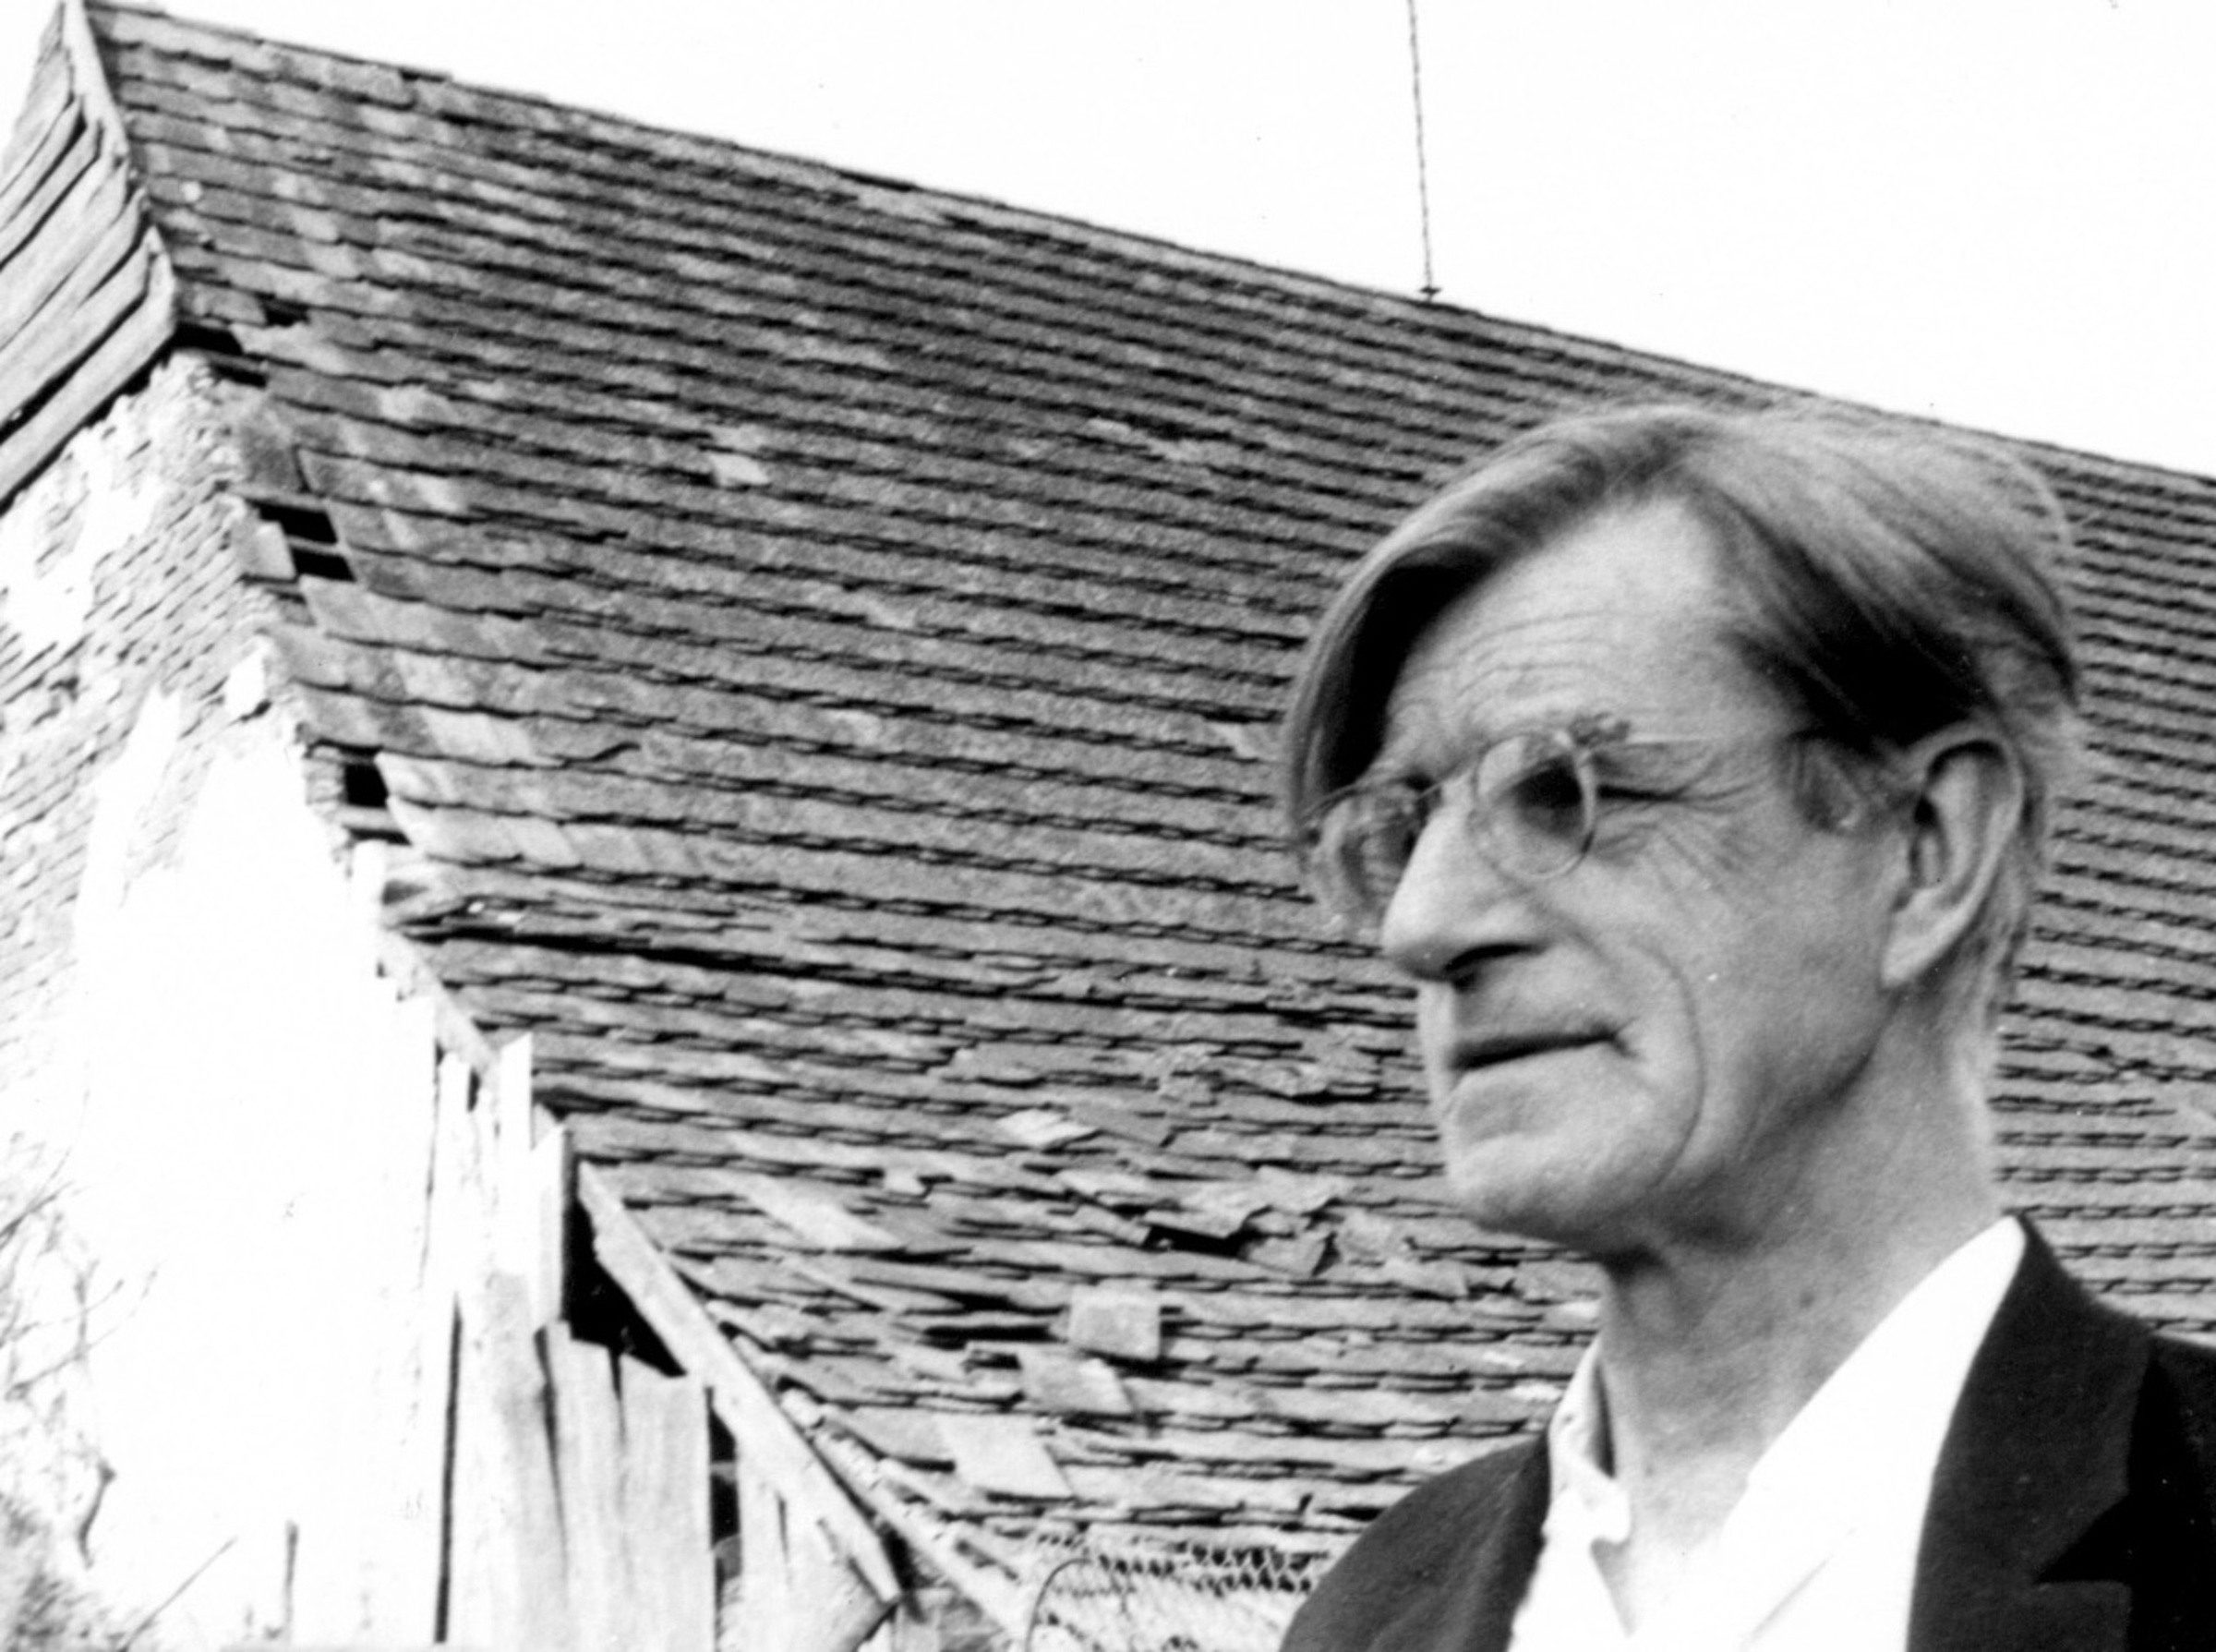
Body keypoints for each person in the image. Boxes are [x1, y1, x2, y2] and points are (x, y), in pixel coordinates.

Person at [1275, 405, 2216, 1652]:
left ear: (1925, 850)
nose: (1421, 925)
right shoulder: (1371, 1611)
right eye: (1400, 830)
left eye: (1564, 790)